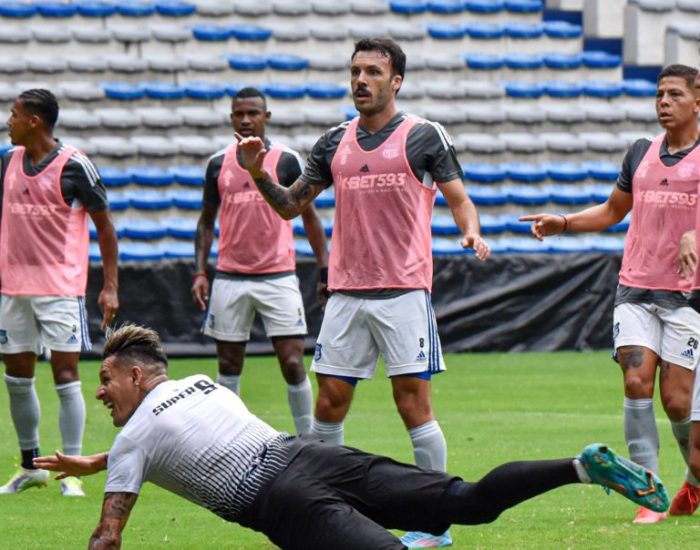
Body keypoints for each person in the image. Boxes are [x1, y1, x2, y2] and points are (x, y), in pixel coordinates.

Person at [34, 323, 669, 550]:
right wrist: (101, 460)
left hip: (283, 500)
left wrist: (111, 466)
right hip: (313, 455)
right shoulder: (198, 384)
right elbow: (185, 439)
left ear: (136, 375)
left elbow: (108, 535)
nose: (100, 392)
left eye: (106, 379)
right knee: (470, 501)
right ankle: (578, 467)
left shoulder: (135, 439)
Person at [237, 37, 490, 548]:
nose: (361, 80)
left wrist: (471, 231)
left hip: (403, 291)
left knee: (413, 405)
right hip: (347, 294)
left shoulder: (424, 136)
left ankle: (436, 525)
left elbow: (459, 198)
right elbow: (289, 207)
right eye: (355, 71)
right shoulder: (334, 142)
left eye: (373, 72)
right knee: (329, 405)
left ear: (396, 81)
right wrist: (257, 172)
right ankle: (324, 513)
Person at [520, 64, 700, 523]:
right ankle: (648, 492)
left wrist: (694, 235)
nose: (664, 102)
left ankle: (694, 481)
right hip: (635, 288)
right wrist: (564, 222)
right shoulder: (640, 152)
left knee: (677, 402)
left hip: (687, 298)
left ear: (698, 102)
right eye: (659, 94)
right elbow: (613, 210)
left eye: (675, 95)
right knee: (636, 382)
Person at [0, 89, 119, 497]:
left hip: (60, 290)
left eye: (14, 114)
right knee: (16, 378)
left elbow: (105, 227)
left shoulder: (75, 165)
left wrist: (110, 286)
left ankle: (71, 471)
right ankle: (30, 466)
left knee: (66, 376)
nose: (9, 121)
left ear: (34, 121)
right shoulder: (7, 161)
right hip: (13, 288)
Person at [192, 87, 328, 434]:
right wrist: (200, 272)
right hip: (230, 277)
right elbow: (206, 221)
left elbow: (310, 217)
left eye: (253, 113)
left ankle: (307, 440)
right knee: (228, 365)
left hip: (278, 276)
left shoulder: (285, 160)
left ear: (266, 117)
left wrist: (325, 268)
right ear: (231, 118)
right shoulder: (218, 164)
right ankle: (227, 439)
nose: (246, 120)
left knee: (293, 363)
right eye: (239, 114)